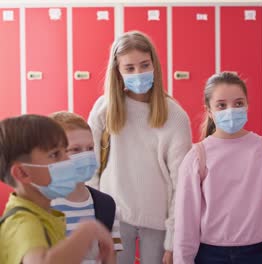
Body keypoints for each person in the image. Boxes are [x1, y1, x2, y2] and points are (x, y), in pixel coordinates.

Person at [174, 72, 262, 264]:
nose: (231, 110)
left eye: (238, 103)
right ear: (209, 111)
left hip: (258, 253)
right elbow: (186, 223)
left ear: (247, 105)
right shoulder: (197, 156)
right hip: (209, 255)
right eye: (221, 105)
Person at [88, 31, 192, 264]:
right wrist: (95, 219)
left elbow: (181, 183)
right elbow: (90, 168)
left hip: (158, 221)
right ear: (118, 71)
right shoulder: (104, 109)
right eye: (130, 68)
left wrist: (173, 240)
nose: (139, 74)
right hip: (113, 218)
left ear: (154, 64)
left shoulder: (175, 116)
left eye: (145, 65)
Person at [0, 114, 114, 264]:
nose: (67, 161)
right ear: (22, 173)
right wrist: (86, 231)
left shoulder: (44, 213)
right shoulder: (22, 221)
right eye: (55, 154)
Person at [50, 111, 123, 264]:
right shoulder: (41, 206)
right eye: (75, 149)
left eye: (90, 148)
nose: (87, 156)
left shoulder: (106, 205)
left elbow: (110, 259)